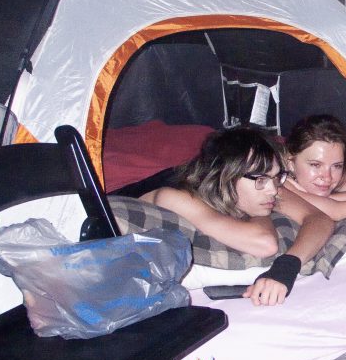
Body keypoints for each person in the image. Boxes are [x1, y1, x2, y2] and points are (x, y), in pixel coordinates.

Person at [140, 127, 334, 306]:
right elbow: (264, 243)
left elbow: (319, 219)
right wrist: (259, 213)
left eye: (276, 177)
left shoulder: (261, 185)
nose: (274, 190)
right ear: (226, 176)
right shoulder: (175, 197)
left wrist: (288, 265)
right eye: (261, 179)